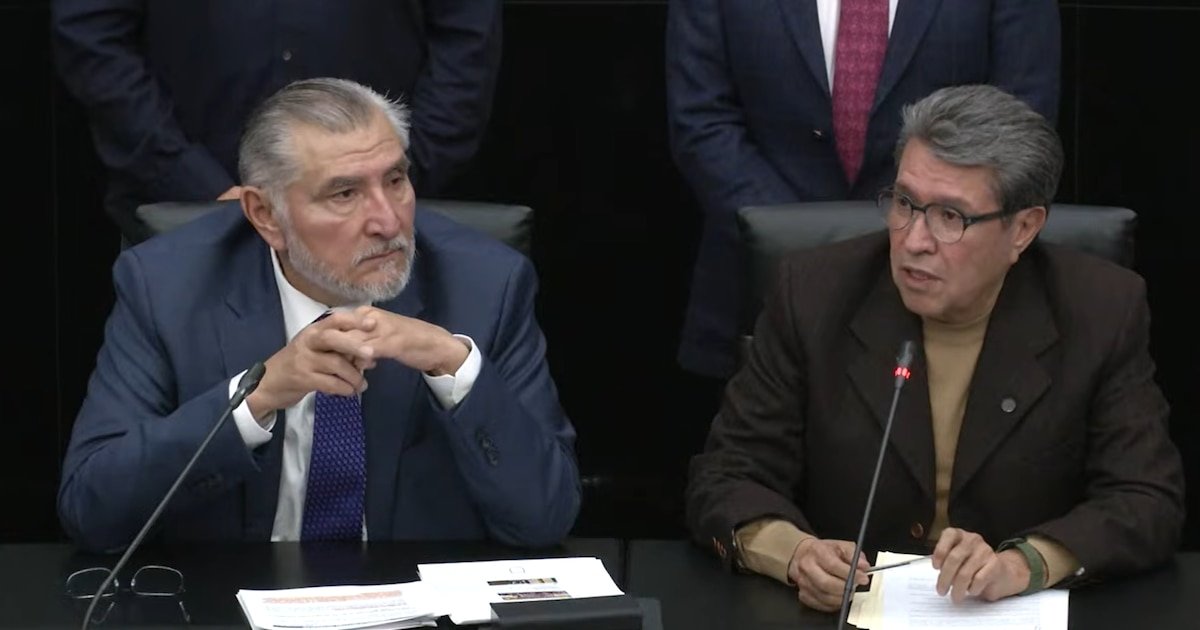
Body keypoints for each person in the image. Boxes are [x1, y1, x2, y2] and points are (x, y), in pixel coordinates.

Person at [686, 85, 1184, 610]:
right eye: (905, 203)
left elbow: (1145, 499)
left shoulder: (1100, 309)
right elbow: (727, 476)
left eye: (951, 217)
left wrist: (1025, 564)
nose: (914, 240)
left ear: (1023, 229)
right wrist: (795, 553)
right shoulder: (813, 294)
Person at [59, 78, 580, 553]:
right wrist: (258, 397)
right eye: (345, 193)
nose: (388, 221)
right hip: (229, 598)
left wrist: (453, 364)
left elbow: (545, 518)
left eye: (395, 179)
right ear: (266, 215)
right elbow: (93, 512)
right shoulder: (167, 287)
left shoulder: (486, 286)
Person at [666, 0, 1062, 381]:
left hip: (946, 296)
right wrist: (794, 242)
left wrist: (905, 232)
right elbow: (701, 120)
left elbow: (1019, 126)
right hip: (761, 295)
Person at [52, 0, 501, 243]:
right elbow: (94, 41)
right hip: (190, 215)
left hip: (385, 224)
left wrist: (390, 181)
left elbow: (467, 42)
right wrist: (193, 183)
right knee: (201, 387)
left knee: (386, 381)